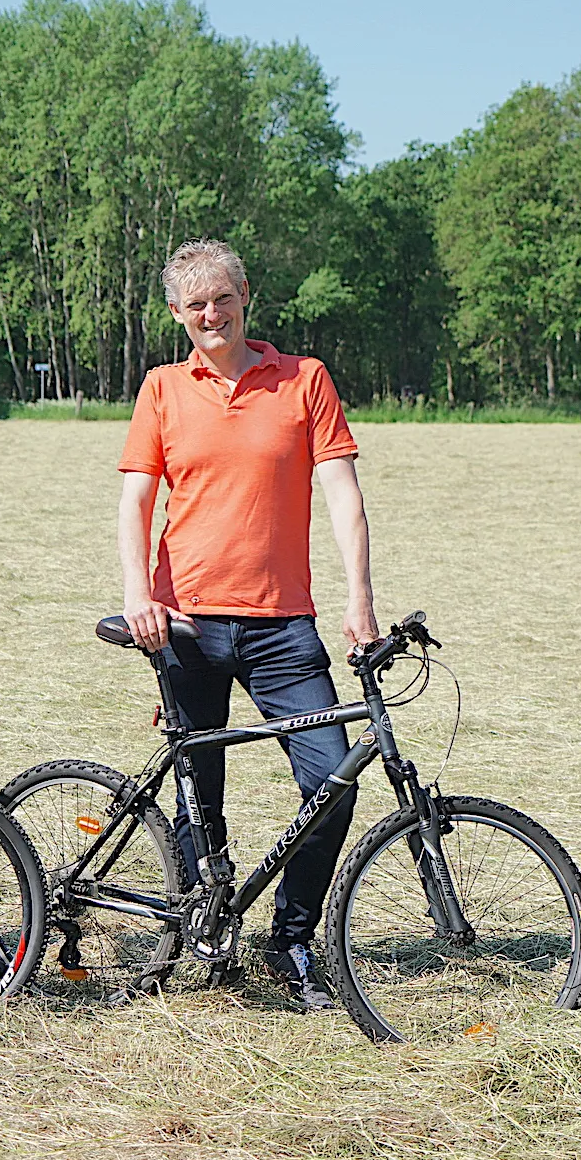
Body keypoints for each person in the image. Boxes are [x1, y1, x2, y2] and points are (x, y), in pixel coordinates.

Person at [118, 240, 379, 1011]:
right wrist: (139, 593)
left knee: (332, 779)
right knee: (200, 792)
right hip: (185, 624)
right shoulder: (163, 388)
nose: (210, 314)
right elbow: (134, 501)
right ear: (176, 314)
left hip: (283, 626)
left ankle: (291, 940)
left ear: (245, 297)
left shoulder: (304, 381)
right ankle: (206, 926)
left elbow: (342, 494)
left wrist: (358, 597)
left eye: (221, 299)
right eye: (194, 304)